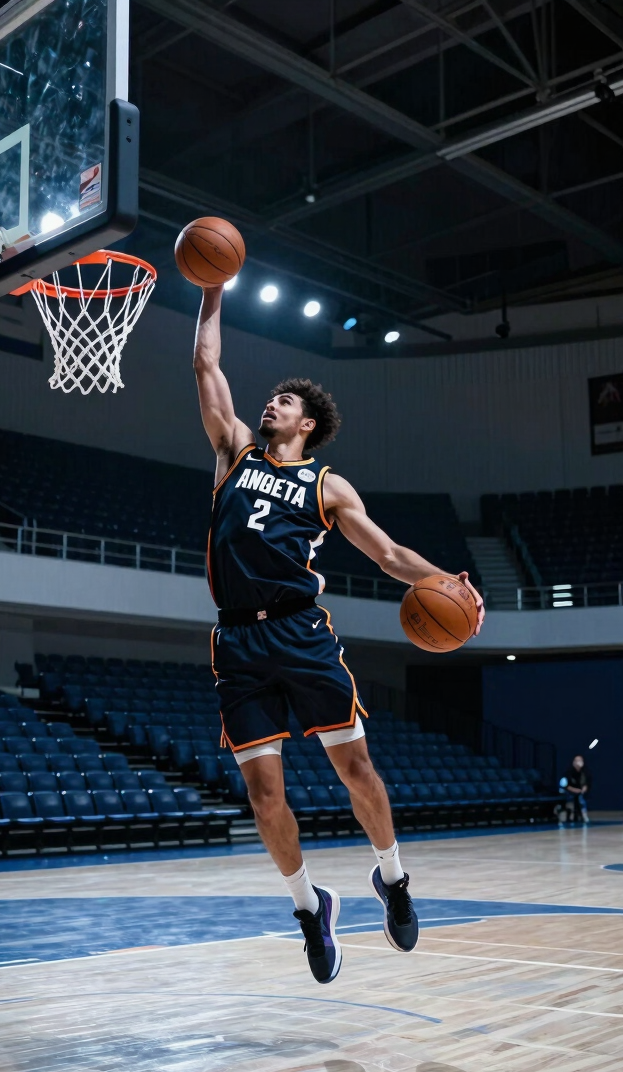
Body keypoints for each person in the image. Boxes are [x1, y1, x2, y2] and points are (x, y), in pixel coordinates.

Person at [193, 285, 484, 985]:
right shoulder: (235, 452)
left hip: (301, 635)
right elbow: (206, 367)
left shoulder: (328, 486)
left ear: (309, 423)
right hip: (237, 643)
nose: (270, 406)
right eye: (269, 400)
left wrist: (451, 581)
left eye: (284, 403)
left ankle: (393, 877)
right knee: (266, 797)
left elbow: (387, 556)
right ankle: (308, 910)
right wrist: (211, 292)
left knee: (356, 771)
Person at [564, 754, 591, 824]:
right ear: (573, 762)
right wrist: (574, 790)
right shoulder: (569, 772)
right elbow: (565, 785)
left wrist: (584, 788)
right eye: (577, 760)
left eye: (580, 760)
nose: (578, 762)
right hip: (570, 791)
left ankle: (584, 815)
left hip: (580, 792)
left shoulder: (585, 772)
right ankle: (569, 816)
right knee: (570, 800)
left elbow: (586, 783)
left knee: (581, 799)